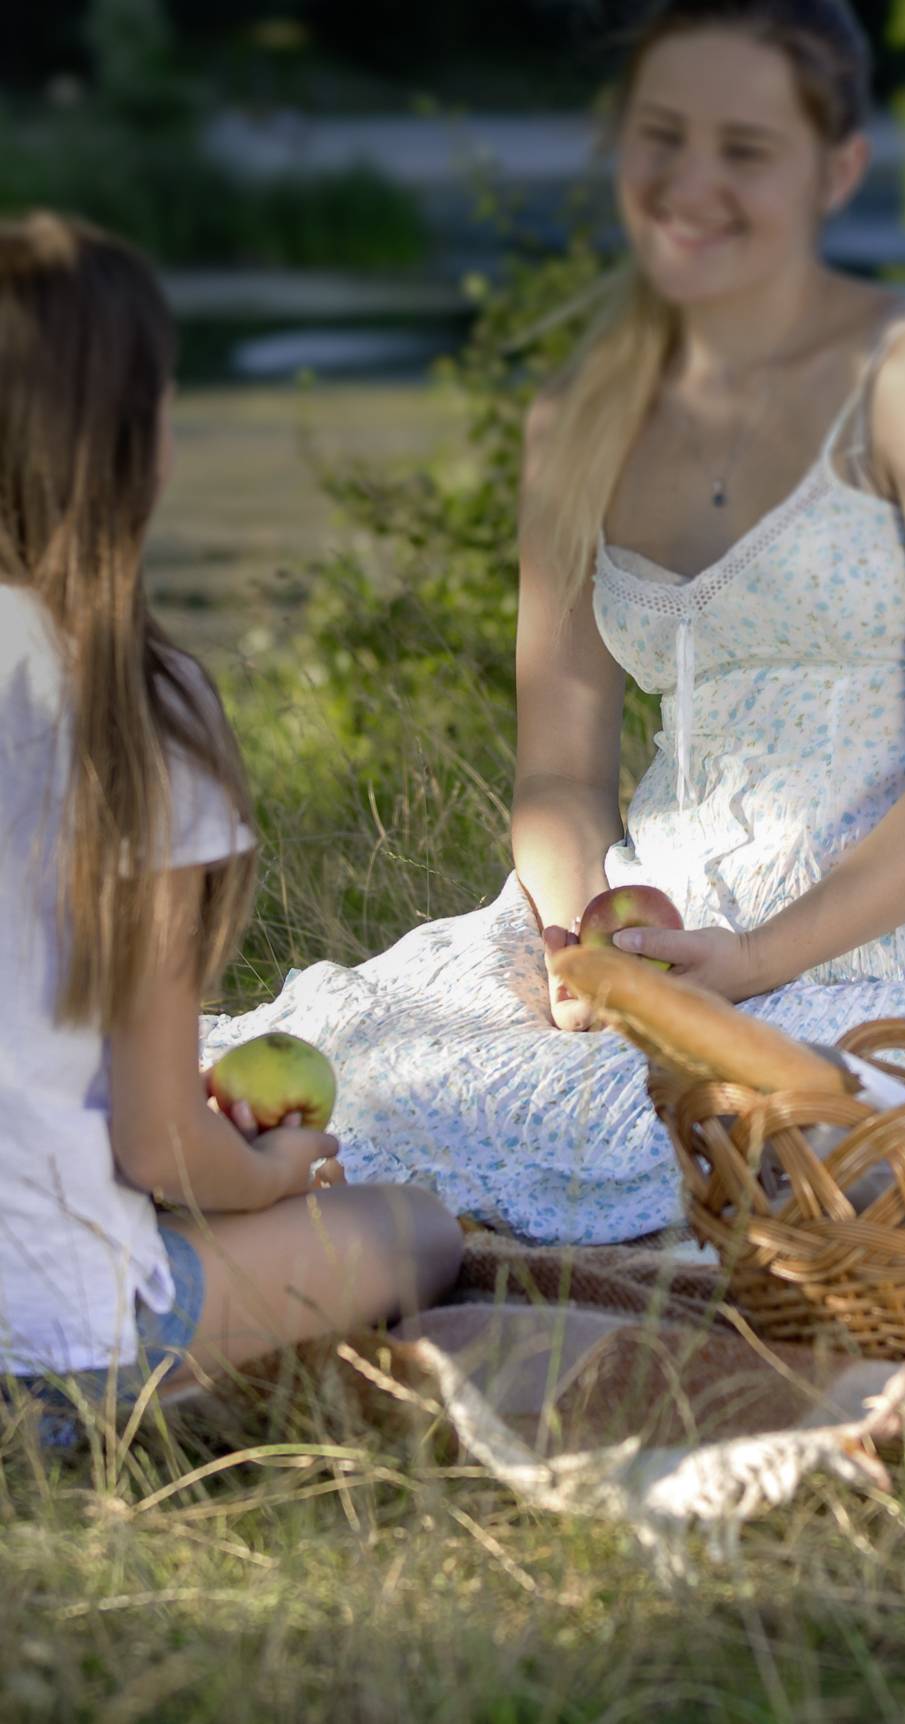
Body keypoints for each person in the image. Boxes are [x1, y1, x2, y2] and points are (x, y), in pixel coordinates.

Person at [201, 0, 905, 1243]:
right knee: (356, 1064)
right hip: (639, 920)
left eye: (745, 149)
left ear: (839, 170)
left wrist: (754, 960)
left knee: (663, 1139)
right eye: (661, 137)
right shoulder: (577, 416)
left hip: (887, 940)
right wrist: (571, 942)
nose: (690, 185)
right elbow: (559, 769)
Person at [0, 214, 463, 1424]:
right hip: (49, 1328)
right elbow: (160, 1154)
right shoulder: (132, 703)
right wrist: (265, 1168)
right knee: (414, 1228)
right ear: (137, 448)